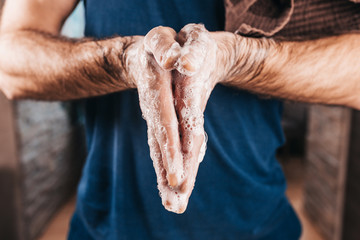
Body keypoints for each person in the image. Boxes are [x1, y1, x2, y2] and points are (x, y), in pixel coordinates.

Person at [1, 0, 360, 239]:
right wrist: (122, 59)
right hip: (109, 224)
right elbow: (10, 62)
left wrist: (237, 58)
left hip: (256, 223)